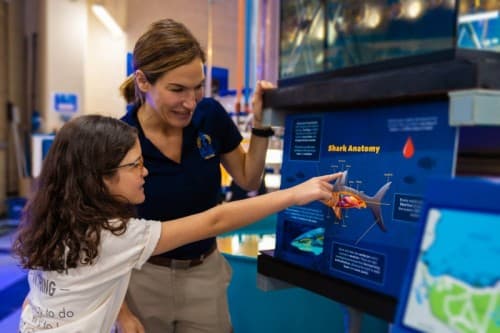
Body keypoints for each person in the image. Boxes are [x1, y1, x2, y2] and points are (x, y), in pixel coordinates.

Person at [12, 114, 340, 333]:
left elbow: (34, 299)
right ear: (100, 179)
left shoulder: (57, 222)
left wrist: (120, 313)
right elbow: (216, 219)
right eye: (135, 165)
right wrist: (294, 194)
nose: (145, 171)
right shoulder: (115, 237)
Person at [118, 18, 275, 332]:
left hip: (204, 274)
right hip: (141, 278)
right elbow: (99, 233)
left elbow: (248, 179)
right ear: (143, 81)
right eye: (177, 90)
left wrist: (260, 124)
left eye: (198, 87)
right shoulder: (121, 138)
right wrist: (121, 313)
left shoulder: (210, 116)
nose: (190, 102)